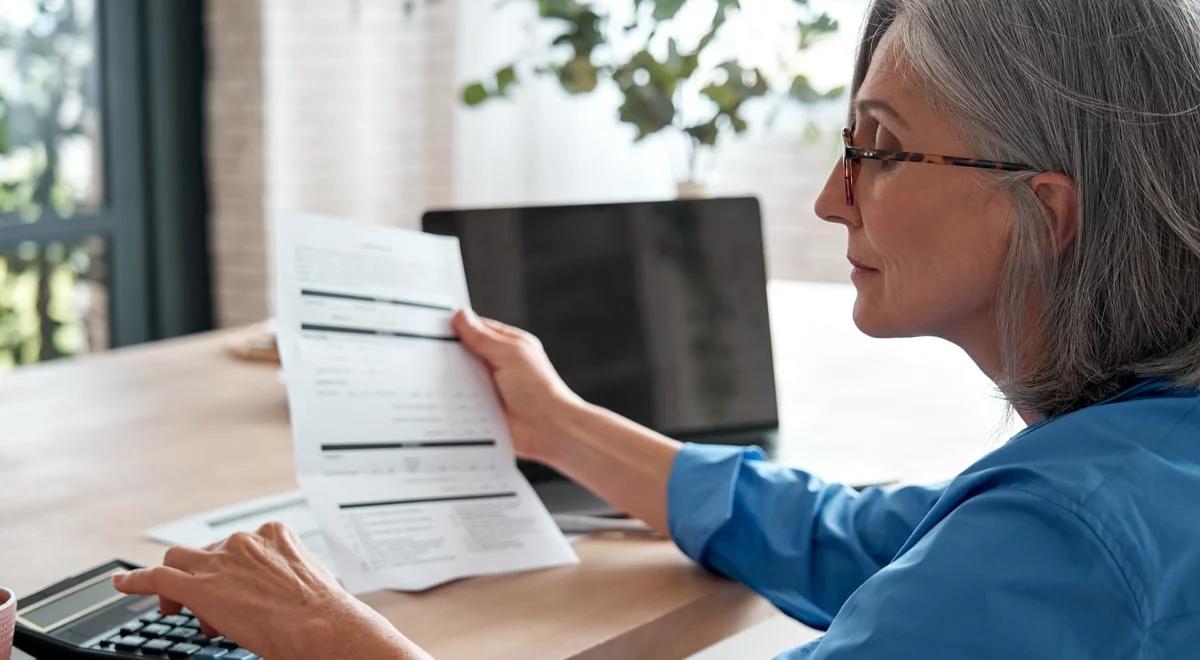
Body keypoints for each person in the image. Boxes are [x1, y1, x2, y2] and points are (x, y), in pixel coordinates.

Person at [113, 0, 1200, 657]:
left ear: (1044, 213)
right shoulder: (1133, 469)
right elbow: (866, 541)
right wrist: (563, 426)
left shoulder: (1071, 540)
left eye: (880, 145)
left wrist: (333, 641)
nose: (833, 196)